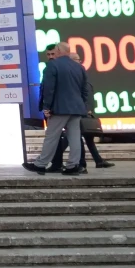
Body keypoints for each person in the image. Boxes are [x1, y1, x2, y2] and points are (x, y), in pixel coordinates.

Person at [24, 42, 89, 175]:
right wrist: (81, 104)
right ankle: (73, 165)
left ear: (58, 51)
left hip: (60, 108)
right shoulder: (79, 67)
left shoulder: (52, 65)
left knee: (52, 136)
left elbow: (49, 89)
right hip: (76, 108)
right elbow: (85, 89)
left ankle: (40, 164)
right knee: (75, 137)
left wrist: (47, 107)